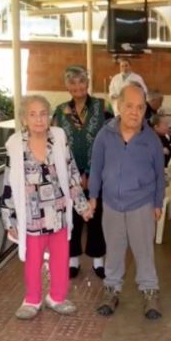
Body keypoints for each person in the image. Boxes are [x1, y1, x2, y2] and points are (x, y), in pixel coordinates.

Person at [0, 95, 93, 320]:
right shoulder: (15, 144)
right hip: (31, 216)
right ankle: (32, 299)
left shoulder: (59, 138)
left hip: (58, 213)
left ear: (49, 116)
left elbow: (71, 174)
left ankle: (57, 297)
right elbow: (8, 183)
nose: (39, 119)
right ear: (24, 119)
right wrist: (8, 219)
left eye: (43, 113)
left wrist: (82, 206)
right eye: (32, 114)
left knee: (61, 259)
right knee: (33, 260)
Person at [88, 82, 165, 320]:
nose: (135, 112)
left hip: (141, 204)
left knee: (144, 251)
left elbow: (159, 174)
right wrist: (93, 196)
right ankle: (111, 290)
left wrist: (158, 203)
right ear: (119, 106)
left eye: (140, 107)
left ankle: (150, 292)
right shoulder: (104, 135)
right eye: (129, 106)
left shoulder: (151, 139)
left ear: (145, 110)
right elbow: (96, 167)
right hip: (111, 203)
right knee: (114, 250)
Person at [51, 65, 114, 280]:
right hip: (69, 175)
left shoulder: (101, 107)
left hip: (97, 172)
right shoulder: (60, 110)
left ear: (87, 83)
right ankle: (73, 260)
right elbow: (56, 143)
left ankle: (98, 261)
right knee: (72, 217)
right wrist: (73, 175)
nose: (77, 86)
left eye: (81, 81)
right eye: (72, 82)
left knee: (96, 217)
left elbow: (109, 141)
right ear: (67, 85)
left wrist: (90, 172)